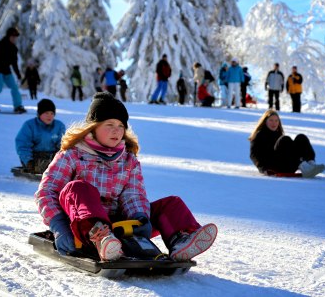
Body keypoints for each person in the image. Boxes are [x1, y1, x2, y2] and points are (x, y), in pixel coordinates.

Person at [34, 92, 218, 261]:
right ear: (93, 128)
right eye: (110, 125)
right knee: (77, 188)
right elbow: (47, 191)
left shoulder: (128, 160)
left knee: (172, 203)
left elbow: (133, 193)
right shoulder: (72, 155)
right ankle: (101, 237)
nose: (117, 130)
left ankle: (180, 240)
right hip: (82, 225)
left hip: (120, 225)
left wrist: (140, 218)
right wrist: (59, 226)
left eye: (121, 126)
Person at [249, 109, 325, 178]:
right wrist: (263, 169)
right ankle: (304, 167)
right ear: (265, 121)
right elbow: (254, 155)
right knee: (285, 139)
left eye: (276, 120)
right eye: (271, 120)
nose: (274, 123)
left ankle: (311, 164)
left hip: (289, 164)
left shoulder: (278, 134)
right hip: (275, 167)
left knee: (301, 137)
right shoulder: (259, 135)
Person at [16, 99, 66, 174]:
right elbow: (23, 145)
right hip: (34, 157)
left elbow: (63, 145)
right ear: (39, 114)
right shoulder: (30, 125)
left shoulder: (59, 126)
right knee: (45, 167)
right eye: (46, 113)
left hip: (52, 156)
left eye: (52, 113)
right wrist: (28, 161)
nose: (49, 116)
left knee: (63, 165)